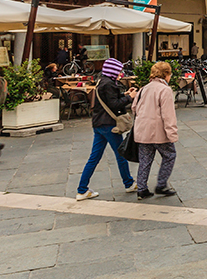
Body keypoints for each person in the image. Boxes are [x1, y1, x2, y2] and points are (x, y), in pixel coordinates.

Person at [76, 58, 138, 200]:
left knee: (94, 158)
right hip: (110, 125)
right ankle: (128, 183)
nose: (120, 74)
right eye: (118, 71)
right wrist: (130, 98)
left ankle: (82, 189)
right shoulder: (109, 84)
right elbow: (114, 104)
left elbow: (110, 99)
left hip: (98, 124)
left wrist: (125, 94)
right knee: (121, 154)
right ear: (113, 71)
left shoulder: (102, 81)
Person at [133, 61, 178, 199]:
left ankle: (141, 189)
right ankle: (161, 184)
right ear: (166, 74)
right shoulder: (165, 90)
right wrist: (172, 134)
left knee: (145, 159)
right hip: (158, 131)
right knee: (170, 155)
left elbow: (134, 107)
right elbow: (168, 115)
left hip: (142, 130)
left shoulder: (144, 88)